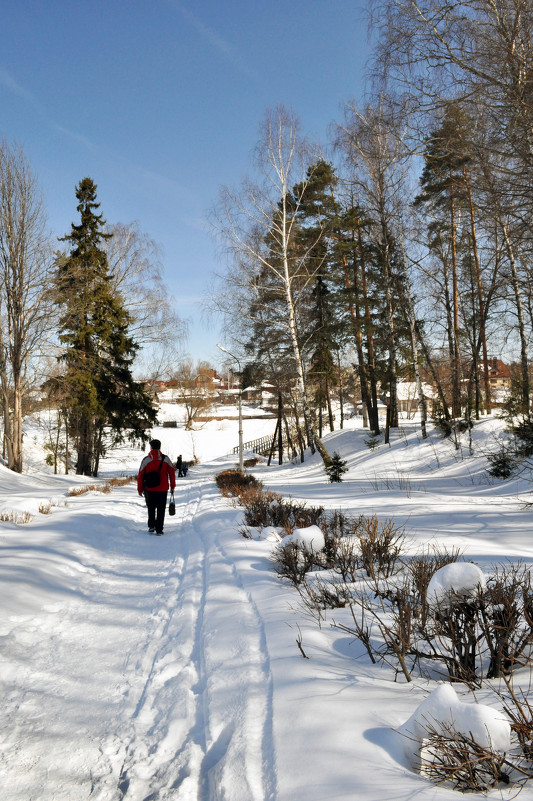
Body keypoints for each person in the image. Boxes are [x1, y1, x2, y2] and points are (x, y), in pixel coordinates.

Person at [137, 439, 176, 535]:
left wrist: (140, 489)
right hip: (163, 489)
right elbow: (172, 473)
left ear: (151, 447)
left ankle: (151, 526)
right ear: (159, 447)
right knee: (161, 509)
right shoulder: (166, 459)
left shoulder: (146, 460)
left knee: (151, 507)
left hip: (149, 489)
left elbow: (140, 476)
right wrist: (172, 486)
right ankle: (159, 529)